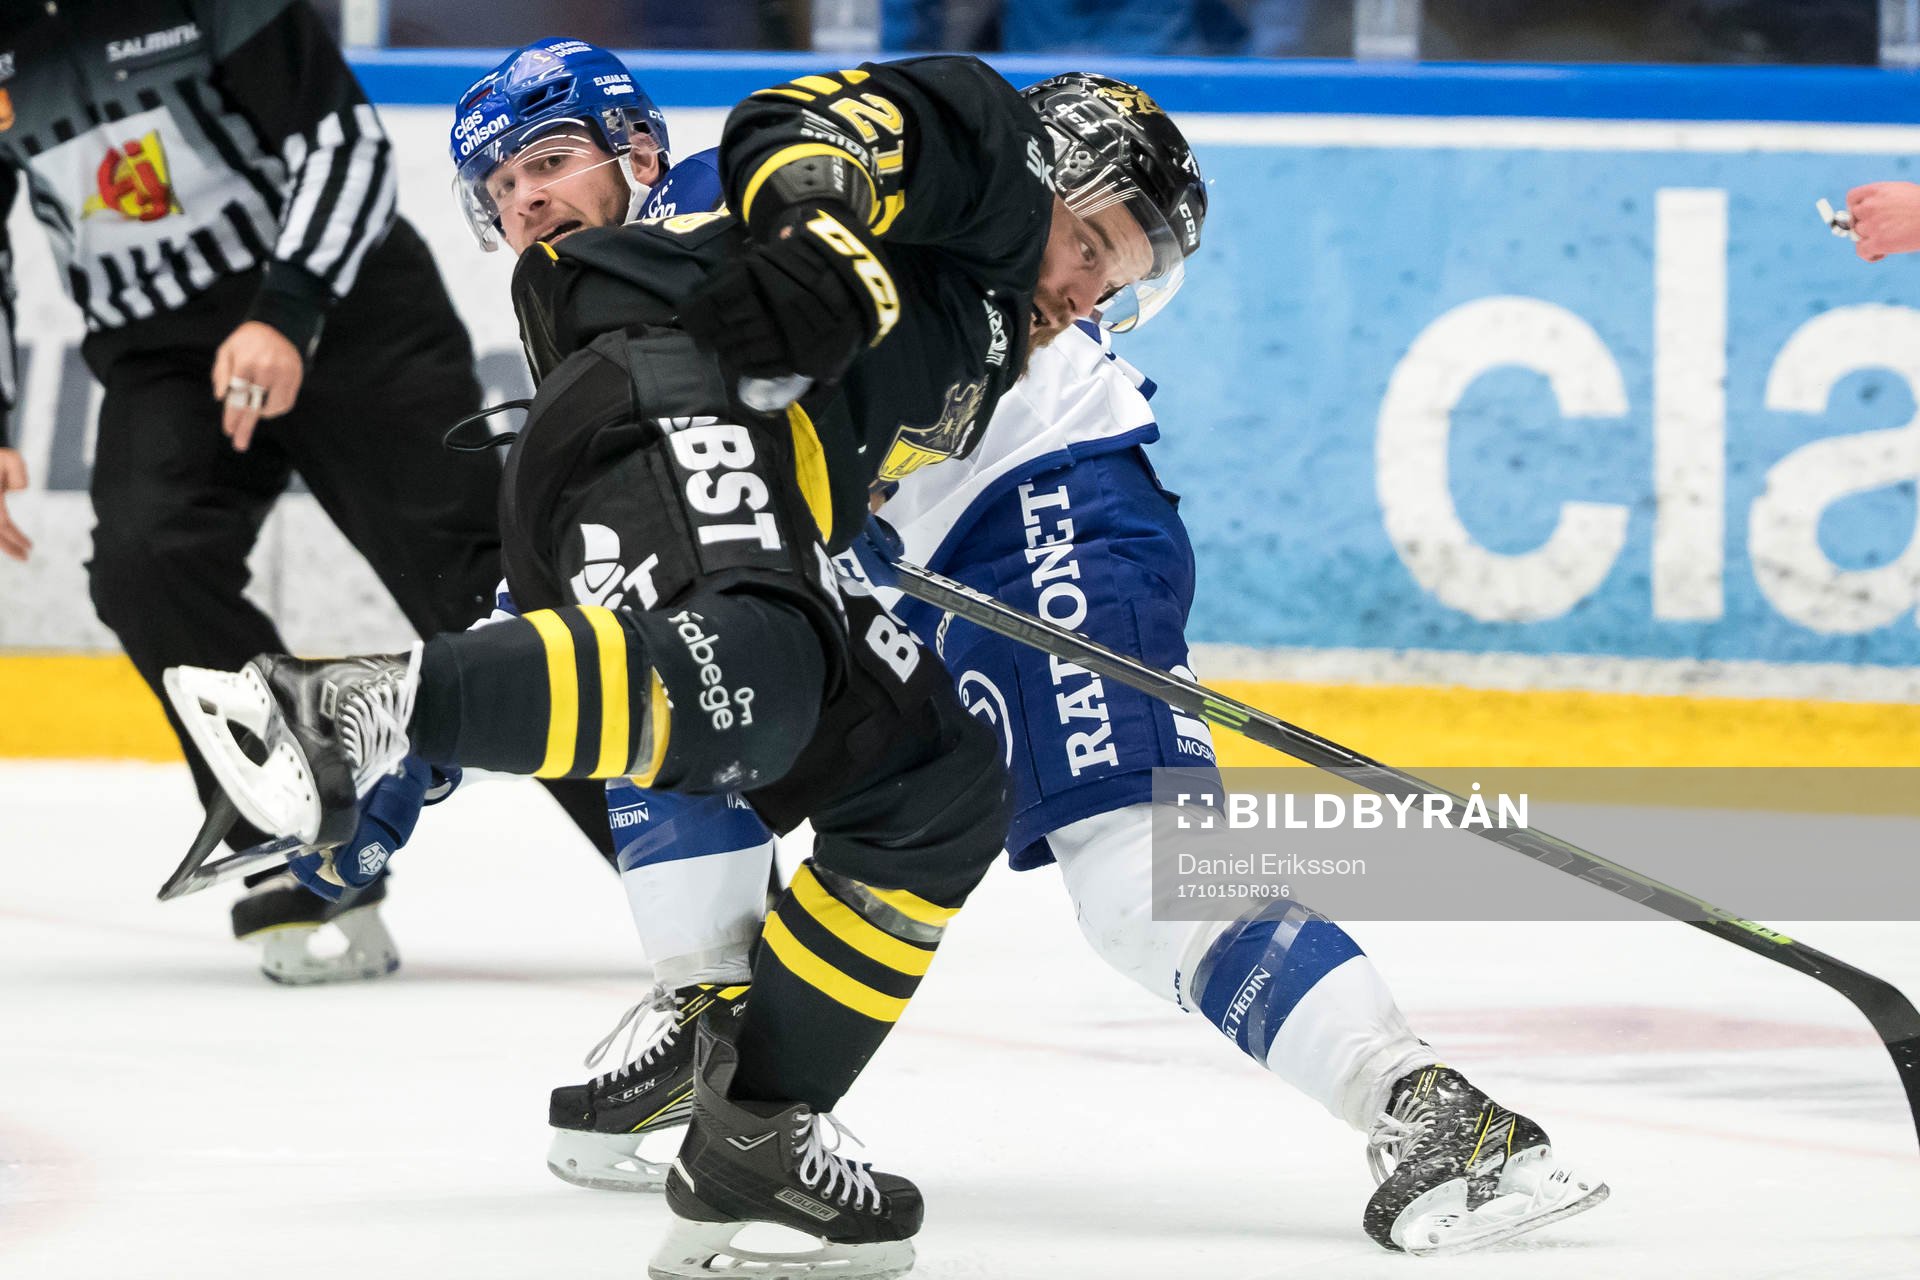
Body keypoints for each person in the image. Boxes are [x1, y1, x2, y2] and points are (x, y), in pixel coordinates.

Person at [495, 59, 1607, 1257]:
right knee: (677, 687)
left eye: (1112, 270)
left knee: (1142, 877)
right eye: (1082, 243)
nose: (1081, 293)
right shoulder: (691, 249)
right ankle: (717, 1025)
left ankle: (1431, 1109)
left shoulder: (776, 210)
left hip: (1054, 517)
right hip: (936, 551)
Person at [167, 47, 1200, 1280]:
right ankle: (370, 726)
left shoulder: (983, 336)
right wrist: (816, 232)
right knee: (741, 677)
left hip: (688, 449)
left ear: (631, 151)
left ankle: (752, 1134)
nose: (528, 201)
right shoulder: (882, 170)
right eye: (504, 186)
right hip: (672, 387)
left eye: (548, 163)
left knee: (936, 788)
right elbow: (806, 133)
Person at [0, 1, 616, 983]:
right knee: (146, 565)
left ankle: (683, 860)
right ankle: (312, 837)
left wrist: (288, 311)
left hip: (352, 307)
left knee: (484, 586)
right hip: (162, 354)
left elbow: (345, 141)